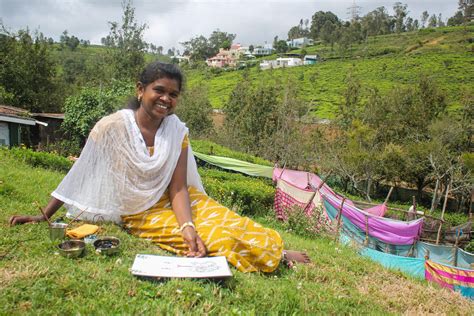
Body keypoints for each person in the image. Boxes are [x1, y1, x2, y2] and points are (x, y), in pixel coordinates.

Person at [9, 61, 309, 272]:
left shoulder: (176, 131)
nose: (166, 99)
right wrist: (43, 216)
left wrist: (187, 224)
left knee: (237, 223)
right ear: (141, 90)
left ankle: (277, 250)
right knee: (217, 238)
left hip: (181, 201)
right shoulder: (111, 127)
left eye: (174, 94)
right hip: (141, 212)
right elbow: (80, 172)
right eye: (159, 90)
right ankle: (277, 258)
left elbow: (178, 186)